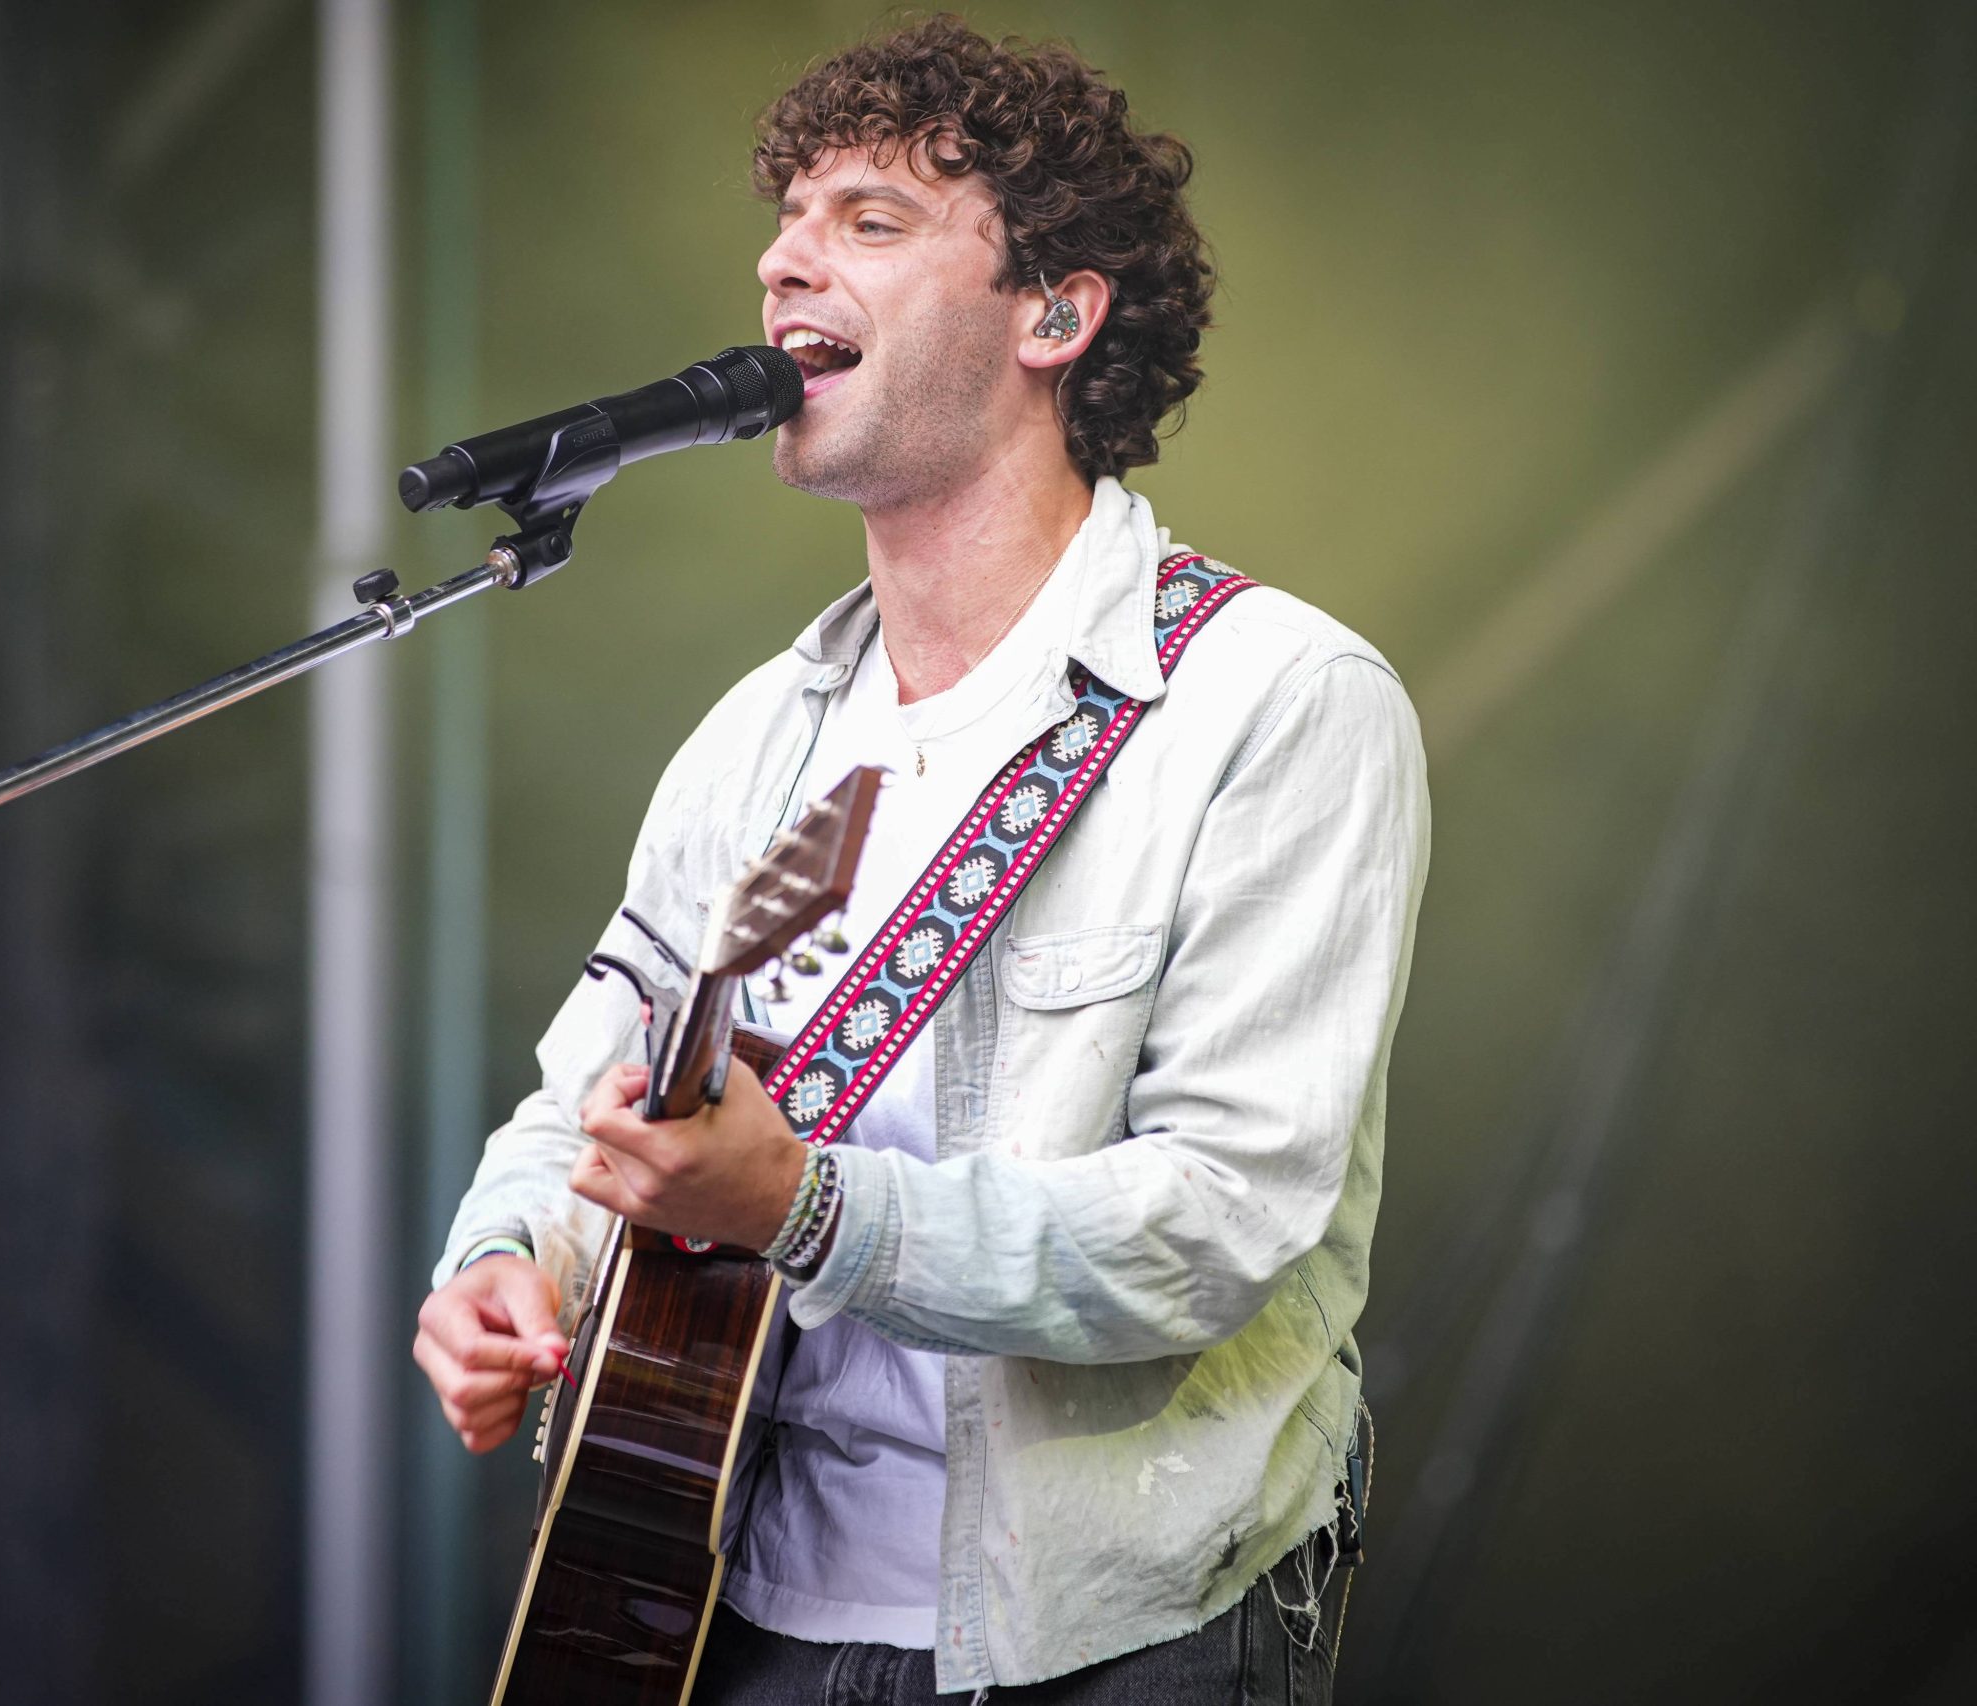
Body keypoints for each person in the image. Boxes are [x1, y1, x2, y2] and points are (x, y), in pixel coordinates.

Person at [412, 16, 1428, 1703]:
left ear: (1055, 315)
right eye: (787, 221)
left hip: (1119, 1635)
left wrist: (805, 1205)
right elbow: (583, 1095)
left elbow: (1215, 1218)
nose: (782, 260)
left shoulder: (1273, 700)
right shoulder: (763, 735)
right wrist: (506, 1261)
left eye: (870, 219)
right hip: (732, 1606)